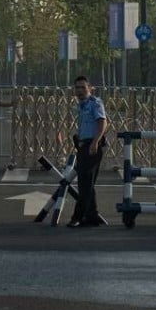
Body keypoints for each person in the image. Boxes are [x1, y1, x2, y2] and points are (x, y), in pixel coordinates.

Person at [67, 75, 108, 228]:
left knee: (84, 183)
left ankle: (77, 217)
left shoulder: (95, 103)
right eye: (77, 88)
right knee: (87, 182)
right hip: (84, 145)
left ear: (89, 88)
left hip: (93, 146)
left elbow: (102, 122)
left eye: (83, 87)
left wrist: (95, 142)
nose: (79, 91)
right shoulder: (82, 105)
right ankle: (92, 215)